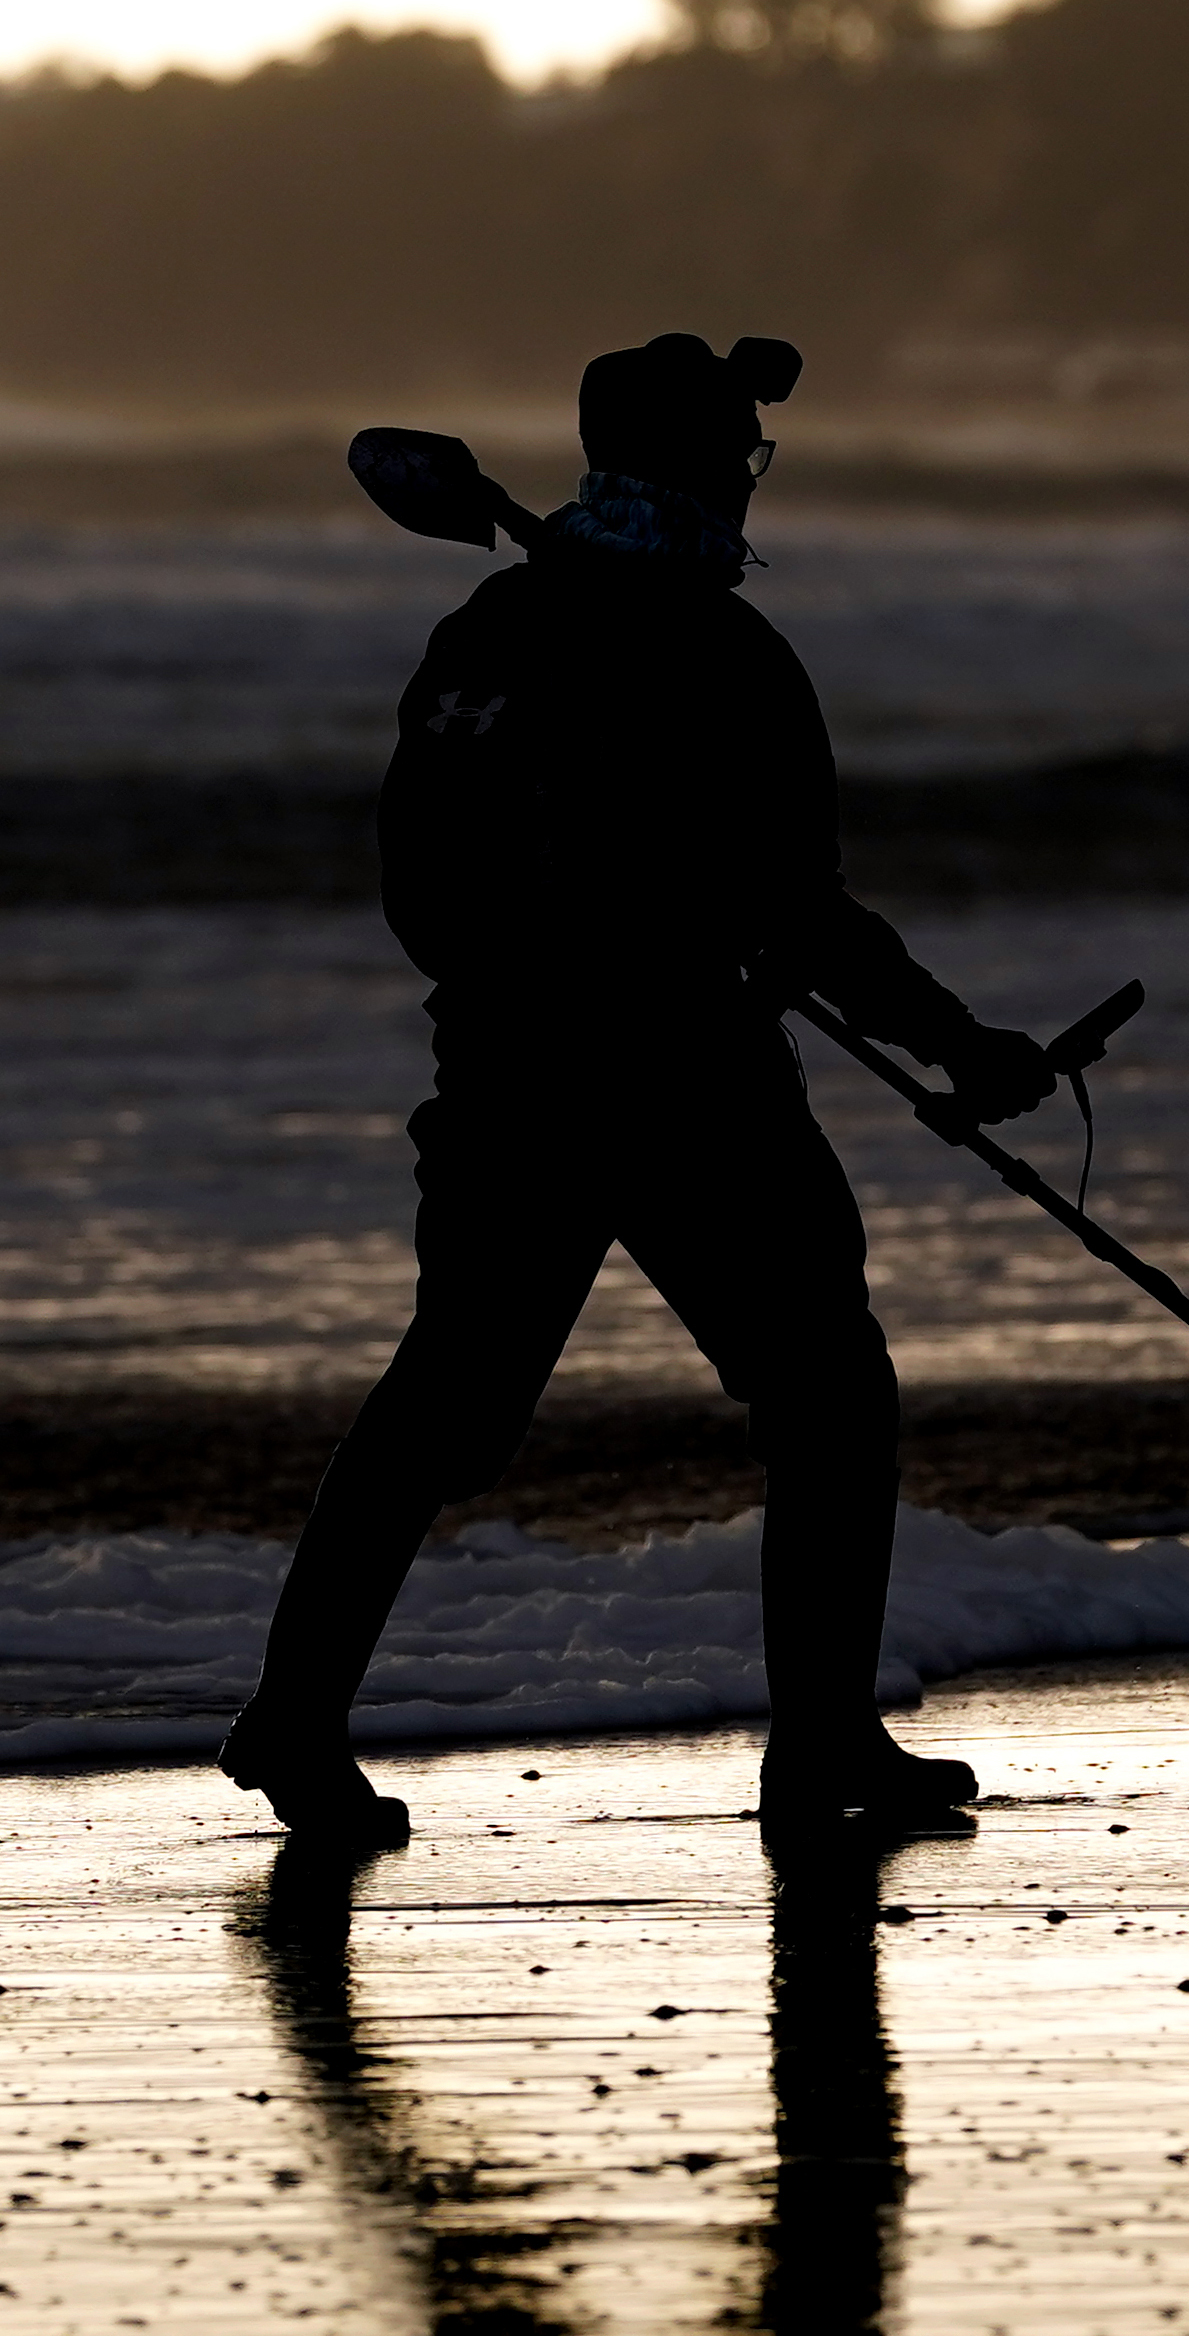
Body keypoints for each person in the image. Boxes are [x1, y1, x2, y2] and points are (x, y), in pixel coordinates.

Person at [221, 332, 1060, 1843]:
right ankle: (821, 1744)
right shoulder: (723, 653)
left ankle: (294, 1716)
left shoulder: (491, 628)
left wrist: (539, 983)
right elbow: (801, 912)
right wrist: (957, 1041)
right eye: (743, 453)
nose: (752, 478)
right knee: (826, 1390)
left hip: (505, 1079)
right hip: (687, 1085)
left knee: (448, 1408)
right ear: (707, 469)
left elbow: (420, 885)